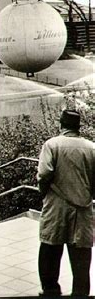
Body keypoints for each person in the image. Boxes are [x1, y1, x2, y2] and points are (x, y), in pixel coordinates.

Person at [37, 109, 95, 297]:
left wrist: (44, 192)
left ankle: (51, 291)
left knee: (50, 249)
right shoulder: (92, 148)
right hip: (84, 209)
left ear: (61, 124)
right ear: (79, 126)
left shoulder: (52, 145)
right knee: (81, 256)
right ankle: (80, 294)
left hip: (56, 205)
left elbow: (44, 174)